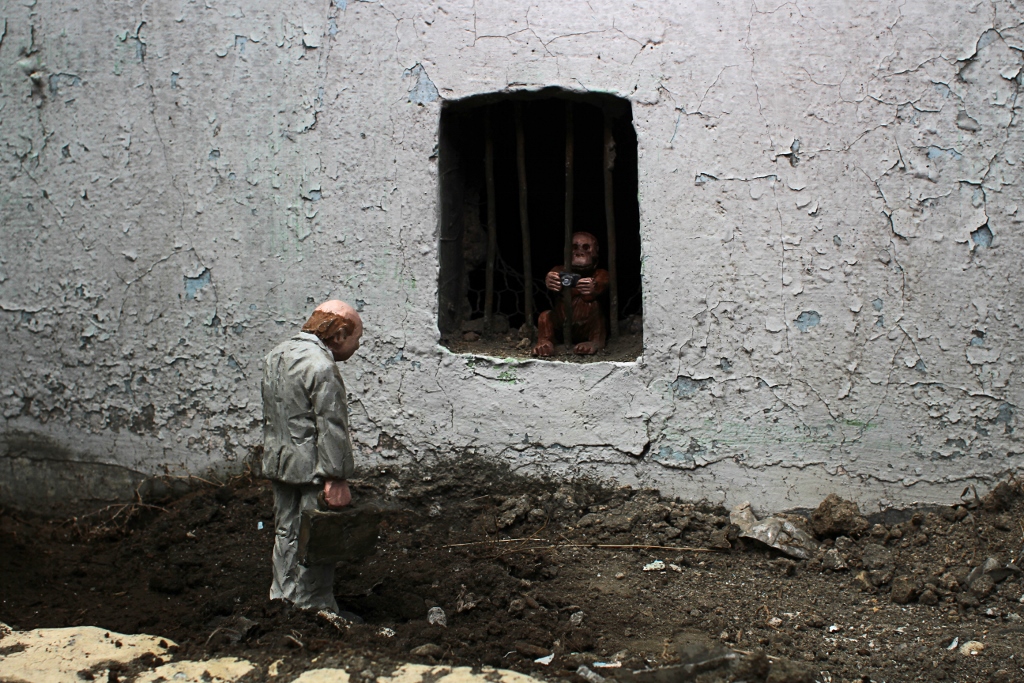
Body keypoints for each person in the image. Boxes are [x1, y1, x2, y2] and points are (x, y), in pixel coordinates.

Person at [260, 300, 363, 612]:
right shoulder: (322, 366)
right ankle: (314, 605)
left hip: (279, 461)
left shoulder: (276, 356)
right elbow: (330, 426)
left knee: (285, 532)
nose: (358, 345)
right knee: (315, 538)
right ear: (340, 335)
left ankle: (282, 597)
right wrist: (337, 476)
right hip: (312, 468)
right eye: (357, 337)